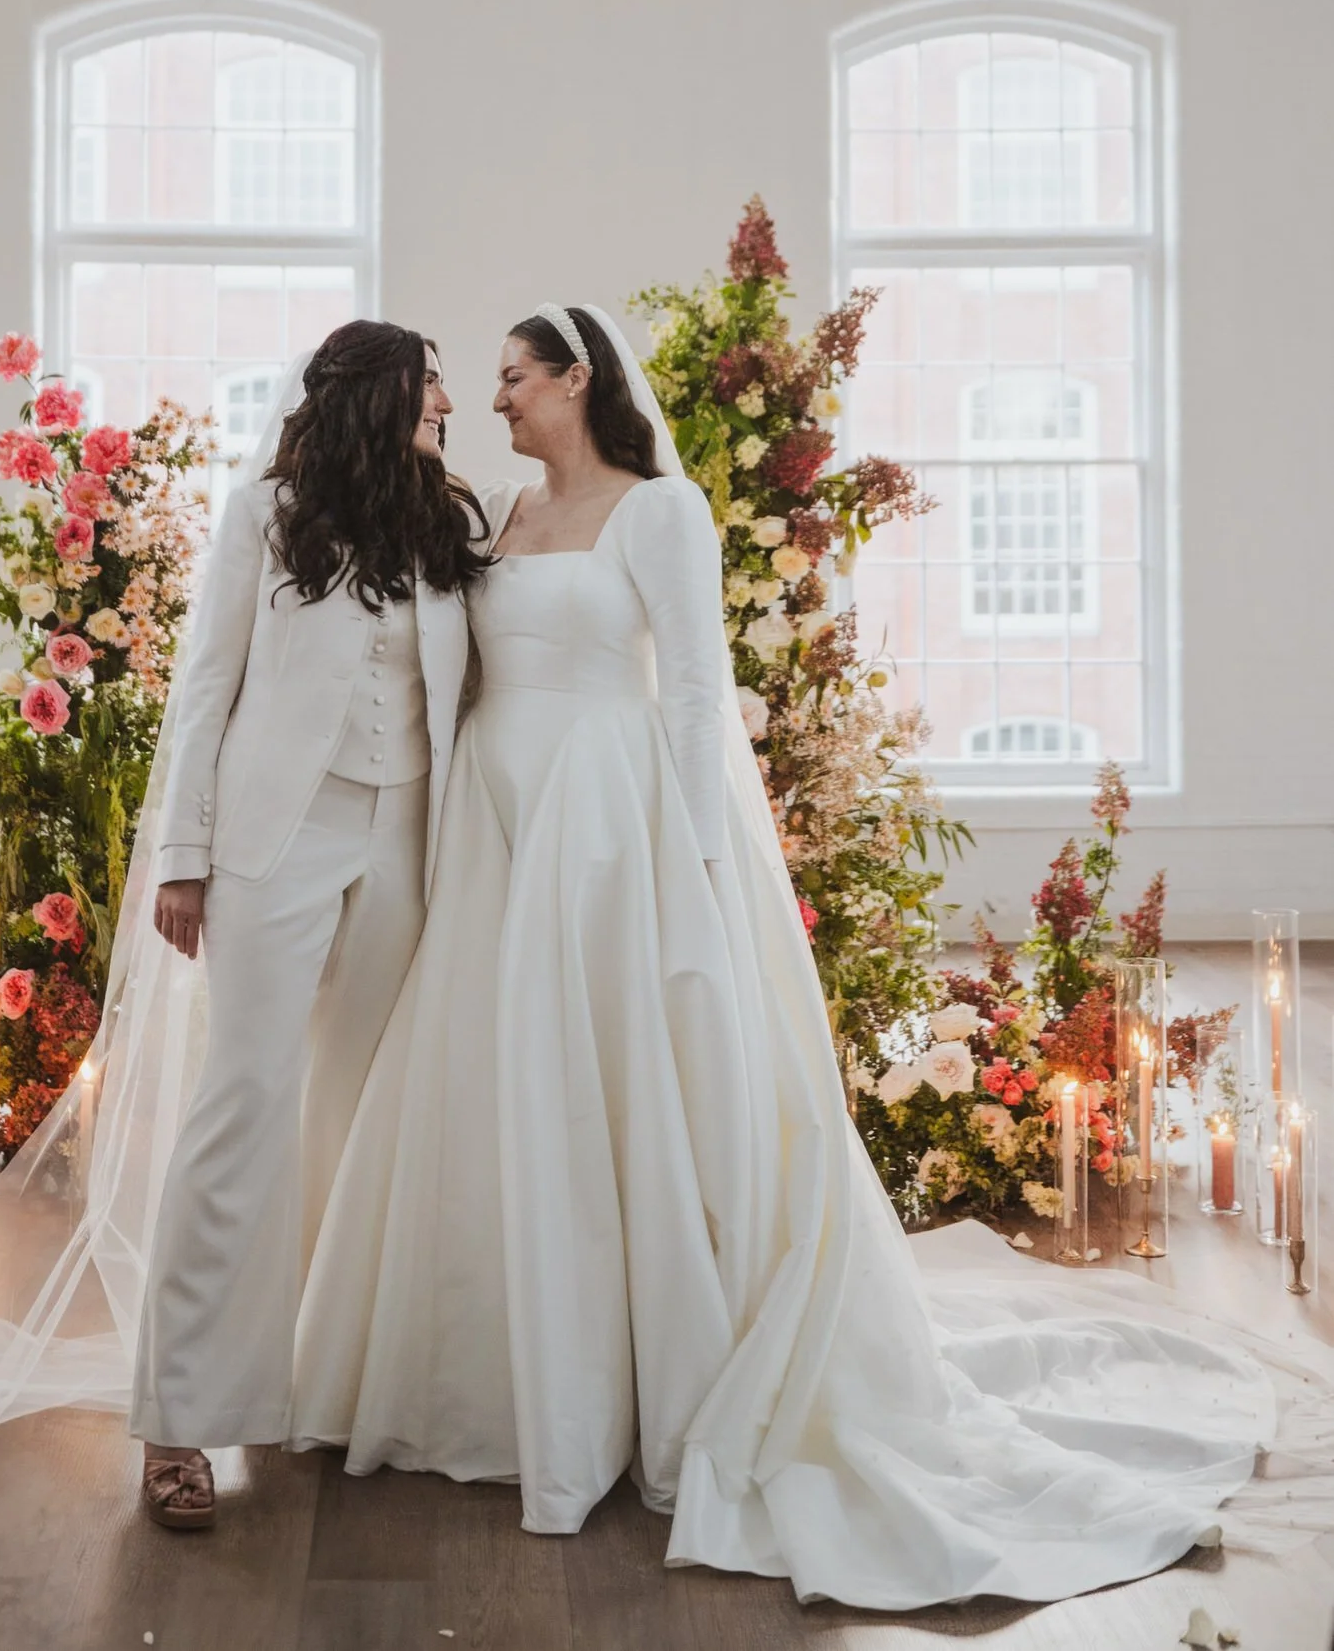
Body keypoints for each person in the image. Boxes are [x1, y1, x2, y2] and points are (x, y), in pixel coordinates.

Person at [287, 303, 1290, 1609]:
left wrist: (699, 869)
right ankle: (490, 1374)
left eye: (513, 378)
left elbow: (695, 695)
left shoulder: (659, 514)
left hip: (606, 827)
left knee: (624, 1083)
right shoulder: (490, 521)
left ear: (577, 378)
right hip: (496, 822)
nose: (494, 401)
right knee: (500, 1086)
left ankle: (636, 1384)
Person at [131, 317, 489, 1530]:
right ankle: (176, 1420)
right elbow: (203, 692)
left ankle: (326, 1383)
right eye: (431, 378)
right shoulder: (266, 515)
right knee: (242, 1107)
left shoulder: (443, 520)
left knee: (366, 1108)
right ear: (374, 392)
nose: (450, 395)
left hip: (406, 836)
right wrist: (183, 858)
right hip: (273, 841)